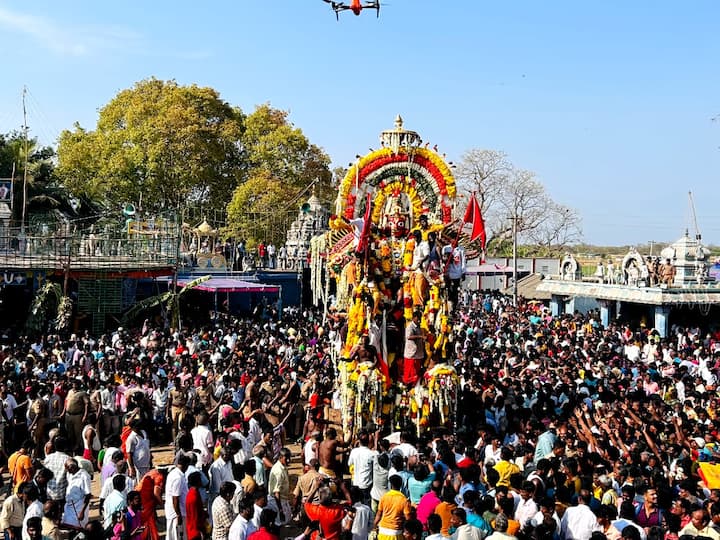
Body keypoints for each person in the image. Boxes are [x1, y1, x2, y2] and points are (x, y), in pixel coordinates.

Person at [374, 475, 412, 540]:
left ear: (390, 485)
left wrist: (374, 526)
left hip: (382, 531)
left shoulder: (384, 497)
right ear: (401, 485)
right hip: (396, 533)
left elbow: (378, 515)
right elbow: (408, 519)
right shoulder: (403, 499)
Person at [165, 454, 190, 540]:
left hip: (177, 511)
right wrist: (178, 514)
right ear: (186, 465)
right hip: (176, 512)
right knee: (177, 535)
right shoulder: (177, 477)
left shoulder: (175, 473)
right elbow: (175, 498)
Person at [63, 458, 92, 529]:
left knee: (78, 528)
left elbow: (88, 495)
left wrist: (82, 512)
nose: (68, 472)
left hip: (79, 507)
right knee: (68, 525)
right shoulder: (69, 474)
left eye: (69, 470)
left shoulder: (84, 476)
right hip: (69, 507)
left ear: (73, 467)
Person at [268, 448, 292, 526]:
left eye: (289, 458)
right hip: (277, 501)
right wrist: (280, 509)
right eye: (286, 458)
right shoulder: (279, 471)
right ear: (280, 457)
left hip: (283, 499)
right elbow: (276, 492)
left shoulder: (282, 466)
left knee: (287, 519)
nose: (288, 460)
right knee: (280, 523)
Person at [185, 471, 207, 540]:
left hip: (194, 529)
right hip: (195, 532)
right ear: (197, 481)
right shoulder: (193, 497)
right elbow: (195, 517)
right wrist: (201, 531)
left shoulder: (193, 492)